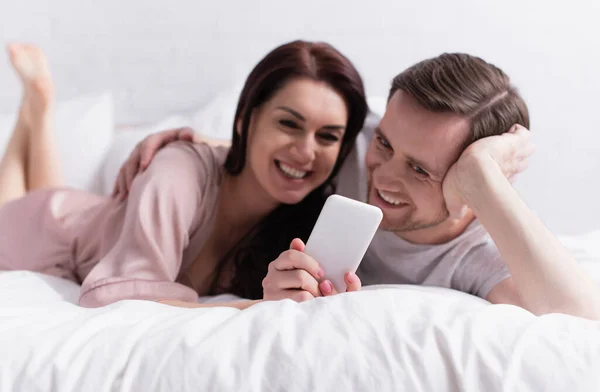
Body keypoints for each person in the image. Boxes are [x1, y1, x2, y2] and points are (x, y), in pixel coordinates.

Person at [122, 53, 600, 319]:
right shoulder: (354, 150)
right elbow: (281, 149)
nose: (384, 177)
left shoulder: (476, 254)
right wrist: (197, 143)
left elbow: (579, 320)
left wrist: (483, 178)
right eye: (386, 144)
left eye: (421, 171)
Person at [0, 40, 368, 309]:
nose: (306, 151)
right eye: (289, 123)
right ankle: (34, 108)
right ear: (244, 121)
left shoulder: (305, 219)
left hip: (82, 217)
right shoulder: (177, 170)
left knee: (48, 191)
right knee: (15, 203)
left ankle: (36, 109)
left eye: (328, 136)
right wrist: (256, 308)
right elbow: (122, 300)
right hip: (42, 228)